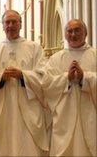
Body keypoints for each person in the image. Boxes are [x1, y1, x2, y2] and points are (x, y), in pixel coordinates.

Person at [0, 10, 49, 156]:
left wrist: (22, 75)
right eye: (7, 22)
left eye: (14, 22)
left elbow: (44, 77)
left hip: (28, 108)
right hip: (2, 110)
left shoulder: (34, 48)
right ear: (3, 26)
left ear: (20, 25)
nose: (10, 25)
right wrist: (1, 78)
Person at [41, 19, 96, 156]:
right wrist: (67, 79)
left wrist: (85, 77)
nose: (73, 34)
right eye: (69, 31)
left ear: (86, 33)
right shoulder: (55, 59)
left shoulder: (95, 55)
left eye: (77, 30)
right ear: (65, 35)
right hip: (64, 117)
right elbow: (46, 84)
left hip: (91, 115)